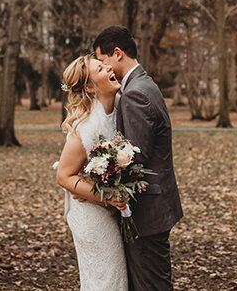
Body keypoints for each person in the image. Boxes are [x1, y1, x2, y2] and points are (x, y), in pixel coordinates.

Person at [94, 26, 183, 291]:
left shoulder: (135, 93)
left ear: (117, 54)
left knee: (151, 285)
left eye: (102, 61)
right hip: (155, 205)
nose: (103, 67)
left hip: (146, 211)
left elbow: (132, 159)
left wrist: (91, 184)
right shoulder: (144, 83)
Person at [56, 54, 129, 291]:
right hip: (89, 214)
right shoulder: (86, 127)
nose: (109, 67)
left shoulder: (119, 106)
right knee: (107, 280)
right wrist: (106, 196)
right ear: (89, 86)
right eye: (100, 68)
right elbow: (64, 176)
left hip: (106, 208)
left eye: (105, 64)